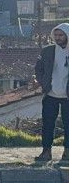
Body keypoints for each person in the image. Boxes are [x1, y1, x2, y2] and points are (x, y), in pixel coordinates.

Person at [35, 22, 69, 163]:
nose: (58, 38)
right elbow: (39, 69)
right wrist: (43, 83)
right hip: (50, 94)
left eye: (61, 35)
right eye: (56, 35)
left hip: (67, 96)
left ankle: (67, 152)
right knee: (48, 124)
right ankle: (46, 151)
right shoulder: (47, 51)